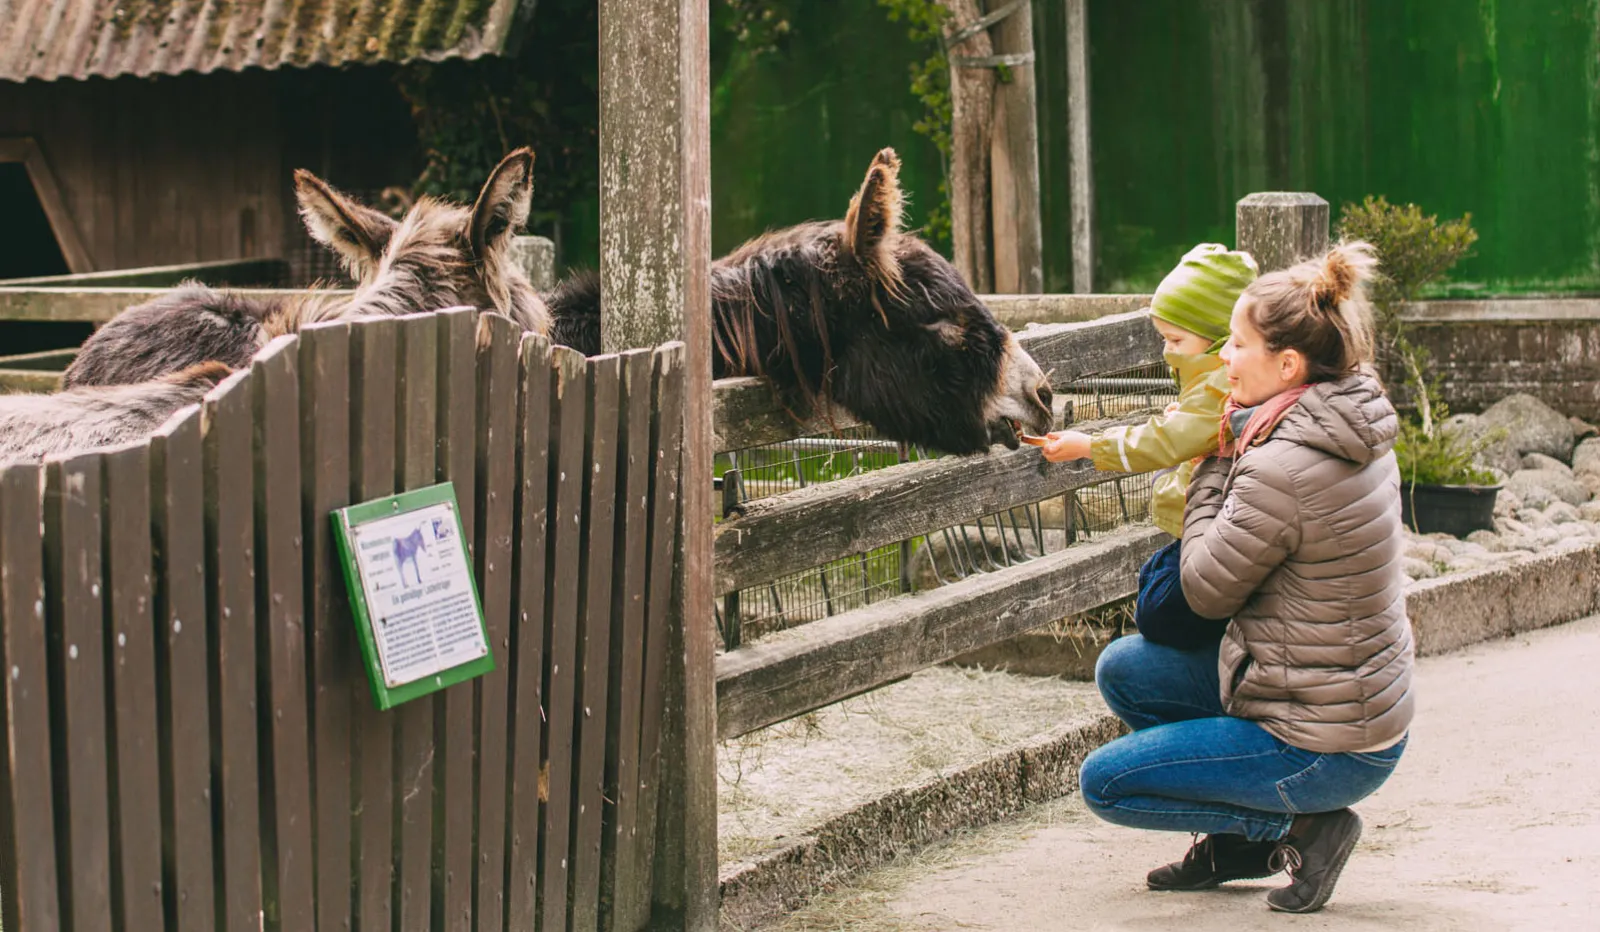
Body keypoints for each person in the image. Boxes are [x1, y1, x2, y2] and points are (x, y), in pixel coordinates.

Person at [1077, 241, 1414, 914]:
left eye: (1235, 345)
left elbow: (1201, 588)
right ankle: (1241, 844)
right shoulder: (1345, 416)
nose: (1223, 359)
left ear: (1286, 364)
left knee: (1106, 785)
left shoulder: (1277, 462)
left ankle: (1305, 827)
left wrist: (1212, 462)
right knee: (1125, 668)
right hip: (1346, 708)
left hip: (1324, 744)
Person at [1043, 243, 1257, 649]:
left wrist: (1090, 446)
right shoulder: (1212, 383)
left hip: (1204, 530)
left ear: (1217, 340)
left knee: (1155, 607)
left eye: (1175, 340)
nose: (1167, 351)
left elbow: (1164, 441)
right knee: (1151, 585)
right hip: (1197, 528)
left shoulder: (1217, 384)